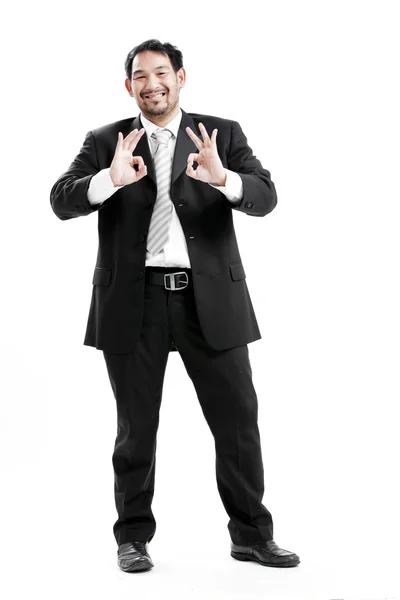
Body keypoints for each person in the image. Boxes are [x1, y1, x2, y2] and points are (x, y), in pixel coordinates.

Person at [50, 38, 300, 573]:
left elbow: (266, 196)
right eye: (140, 76)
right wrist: (105, 181)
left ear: (181, 77)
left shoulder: (220, 133)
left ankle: (252, 536)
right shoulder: (105, 140)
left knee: (237, 421)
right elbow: (59, 199)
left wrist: (225, 179)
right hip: (132, 302)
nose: (152, 84)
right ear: (129, 86)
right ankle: (132, 538)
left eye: (161, 73)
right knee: (135, 428)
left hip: (211, 299)